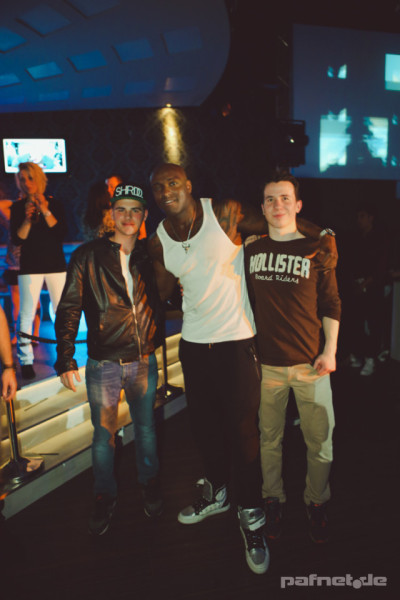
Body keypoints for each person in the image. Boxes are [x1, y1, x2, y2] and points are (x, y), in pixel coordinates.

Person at [148, 163, 336, 574]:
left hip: (236, 343)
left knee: (245, 434)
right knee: (204, 428)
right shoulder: (157, 238)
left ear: (188, 185)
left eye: (173, 183)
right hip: (193, 345)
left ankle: (251, 513)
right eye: (158, 187)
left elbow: (279, 220)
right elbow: (163, 293)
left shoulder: (224, 212)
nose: (166, 191)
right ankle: (217, 493)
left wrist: (322, 234)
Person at [54, 183, 164, 535]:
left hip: (144, 359)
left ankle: (149, 483)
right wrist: (65, 357)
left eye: (135, 210)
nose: (128, 216)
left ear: (144, 215)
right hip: (104, 362)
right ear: (112, 213)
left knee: (146, 429)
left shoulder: (150, 255)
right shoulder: (87, 255)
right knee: (104, 435)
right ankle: (104, 495)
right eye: (122, 209)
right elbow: (69, 306)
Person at [244, 171, 341, 544]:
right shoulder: (251, 250)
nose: (277, 205)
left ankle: (317, 501)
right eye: (270, 199)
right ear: (262, 207)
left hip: (311, 365)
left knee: (321, 441)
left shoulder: (318, 249)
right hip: (267, 366)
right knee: (269, 441)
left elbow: (331, 303)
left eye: (285, 198)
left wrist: (330, 351)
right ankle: (273, 499)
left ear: (298, 205)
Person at [10, 162, 67, 380]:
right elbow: (17, 239)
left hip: (55, 264)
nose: (26, 183)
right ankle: (25, 360)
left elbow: (61, 232)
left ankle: (65, 356)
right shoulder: (17, 207)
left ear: (39, 178)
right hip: (30, 266)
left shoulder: (56, 203)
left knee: (62, 312)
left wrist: (44, 209)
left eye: (30, 178)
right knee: (26, 313)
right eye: (22, 179)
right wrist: (27, 218)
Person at [344, 202, 389, 375]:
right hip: (357, 287)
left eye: (362, 216)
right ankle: (358, 355)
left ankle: (371, 359)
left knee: (373, 324)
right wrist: (355, 283)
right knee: (356, 322)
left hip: (373, 288)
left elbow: (380, 267)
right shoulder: (356, 238)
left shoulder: (380, 239)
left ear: (371, 218)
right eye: (357, 217)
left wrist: (365, 284)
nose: (359, 220)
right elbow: (351, 263)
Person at [0, 196, 41, 345]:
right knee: (16, 302)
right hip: (14, 264)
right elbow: (1, 205)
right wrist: (18, 202)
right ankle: (20, 334)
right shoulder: (12, 219)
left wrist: (33, 202)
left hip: (32, 263)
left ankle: (35, 333)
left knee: (34, 300)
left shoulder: (36, 219)